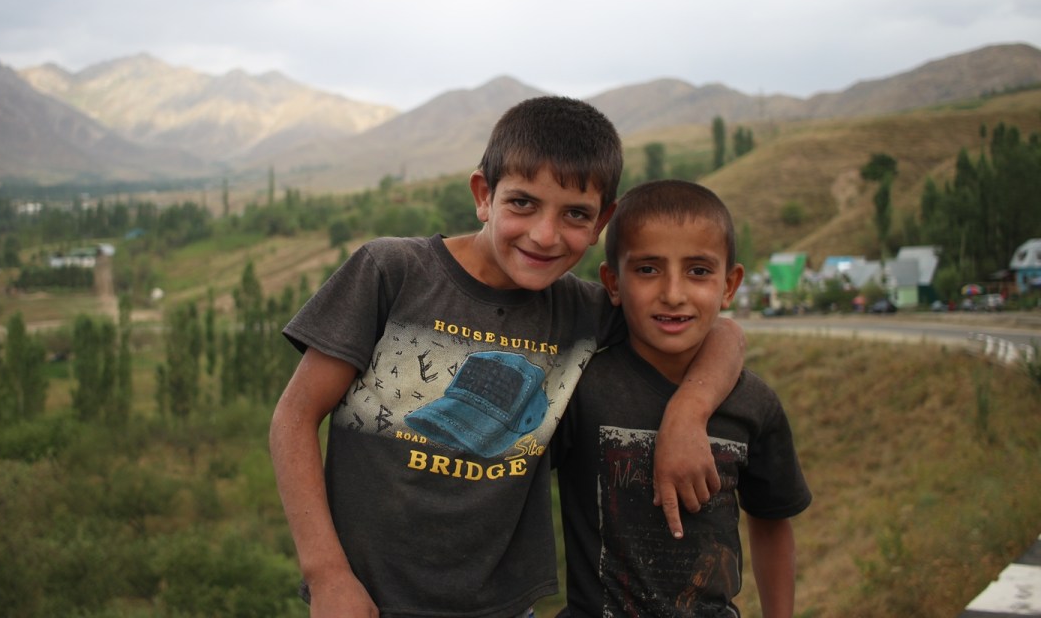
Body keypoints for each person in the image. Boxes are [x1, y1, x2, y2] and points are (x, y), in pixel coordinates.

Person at [269, 97, 745, 618]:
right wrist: (327, 574)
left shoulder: (582, 312)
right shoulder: (393, 273)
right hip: (363, 601)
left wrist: (687, 414)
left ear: (602, 222)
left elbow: (721, 333)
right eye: (522, 203)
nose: (544, 235)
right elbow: (295, 416)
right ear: (483, 195)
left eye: (575, 214)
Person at [555, 180, 811, 617]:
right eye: (647, 269)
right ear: (613, 283)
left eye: (698, 271)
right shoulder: (579, 390)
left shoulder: (754, 404)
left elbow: (771, 522)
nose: (673, 294)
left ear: (729, 285)